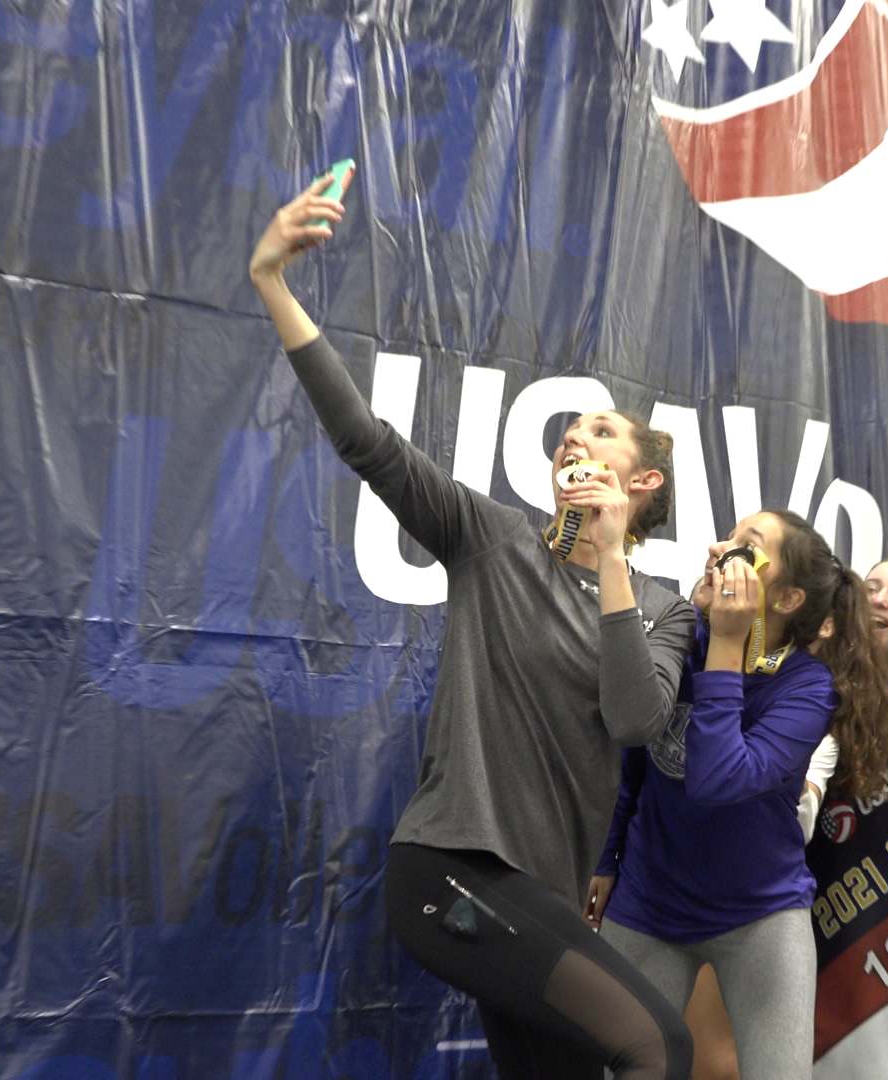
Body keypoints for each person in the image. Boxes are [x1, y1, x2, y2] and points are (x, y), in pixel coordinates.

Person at [251, 174, 698, 1078]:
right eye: (572, 429)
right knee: (658, 1045)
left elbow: (631, 720)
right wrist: (272, 284)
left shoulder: (662, 606)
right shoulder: (490, 539)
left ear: (643, 483)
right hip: (453, 871)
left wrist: (610, 557)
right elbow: (364, 440)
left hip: (545, 904)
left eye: (603, 432)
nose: (576, 436)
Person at [584, 511, 888, 1079]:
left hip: (761, 917)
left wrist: (727, 646)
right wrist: (605, 860)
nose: (717, 548)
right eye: (728, 535)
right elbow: (629, 762)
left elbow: (718, 782)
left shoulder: (806, 686)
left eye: (745, 546)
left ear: (785, 598)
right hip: (648, 904)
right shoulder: (678, 633)